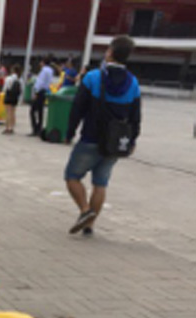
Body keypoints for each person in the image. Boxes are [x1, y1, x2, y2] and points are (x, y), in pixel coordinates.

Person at [64, 35, 141, 236]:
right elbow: (135, 116)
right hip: (114, 143)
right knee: (100, 183)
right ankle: (89, 225)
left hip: (90, 138)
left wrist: (69, 132)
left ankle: (85, 210)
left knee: (72, 177)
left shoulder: (92, 78)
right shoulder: (133, 83)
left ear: (110, 52)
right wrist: (132, 140)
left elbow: (78, 108)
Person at [29, 56, 54, 136]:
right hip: (45, 91)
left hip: (40, 92)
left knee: (33, 111)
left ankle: (35, 129)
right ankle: (39, 128)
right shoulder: (50, 70)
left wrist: (36, 92)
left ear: (43, 62)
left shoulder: (44, 70)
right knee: (40, 111)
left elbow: (40, 82)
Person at [2, 64, 22, 134]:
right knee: (13, 113)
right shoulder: (20, 79)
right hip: (15, 98)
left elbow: (5, 88)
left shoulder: (9, 78)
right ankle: (12, 127)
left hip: (9, 96)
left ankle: (7, 127)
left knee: (8, 112)